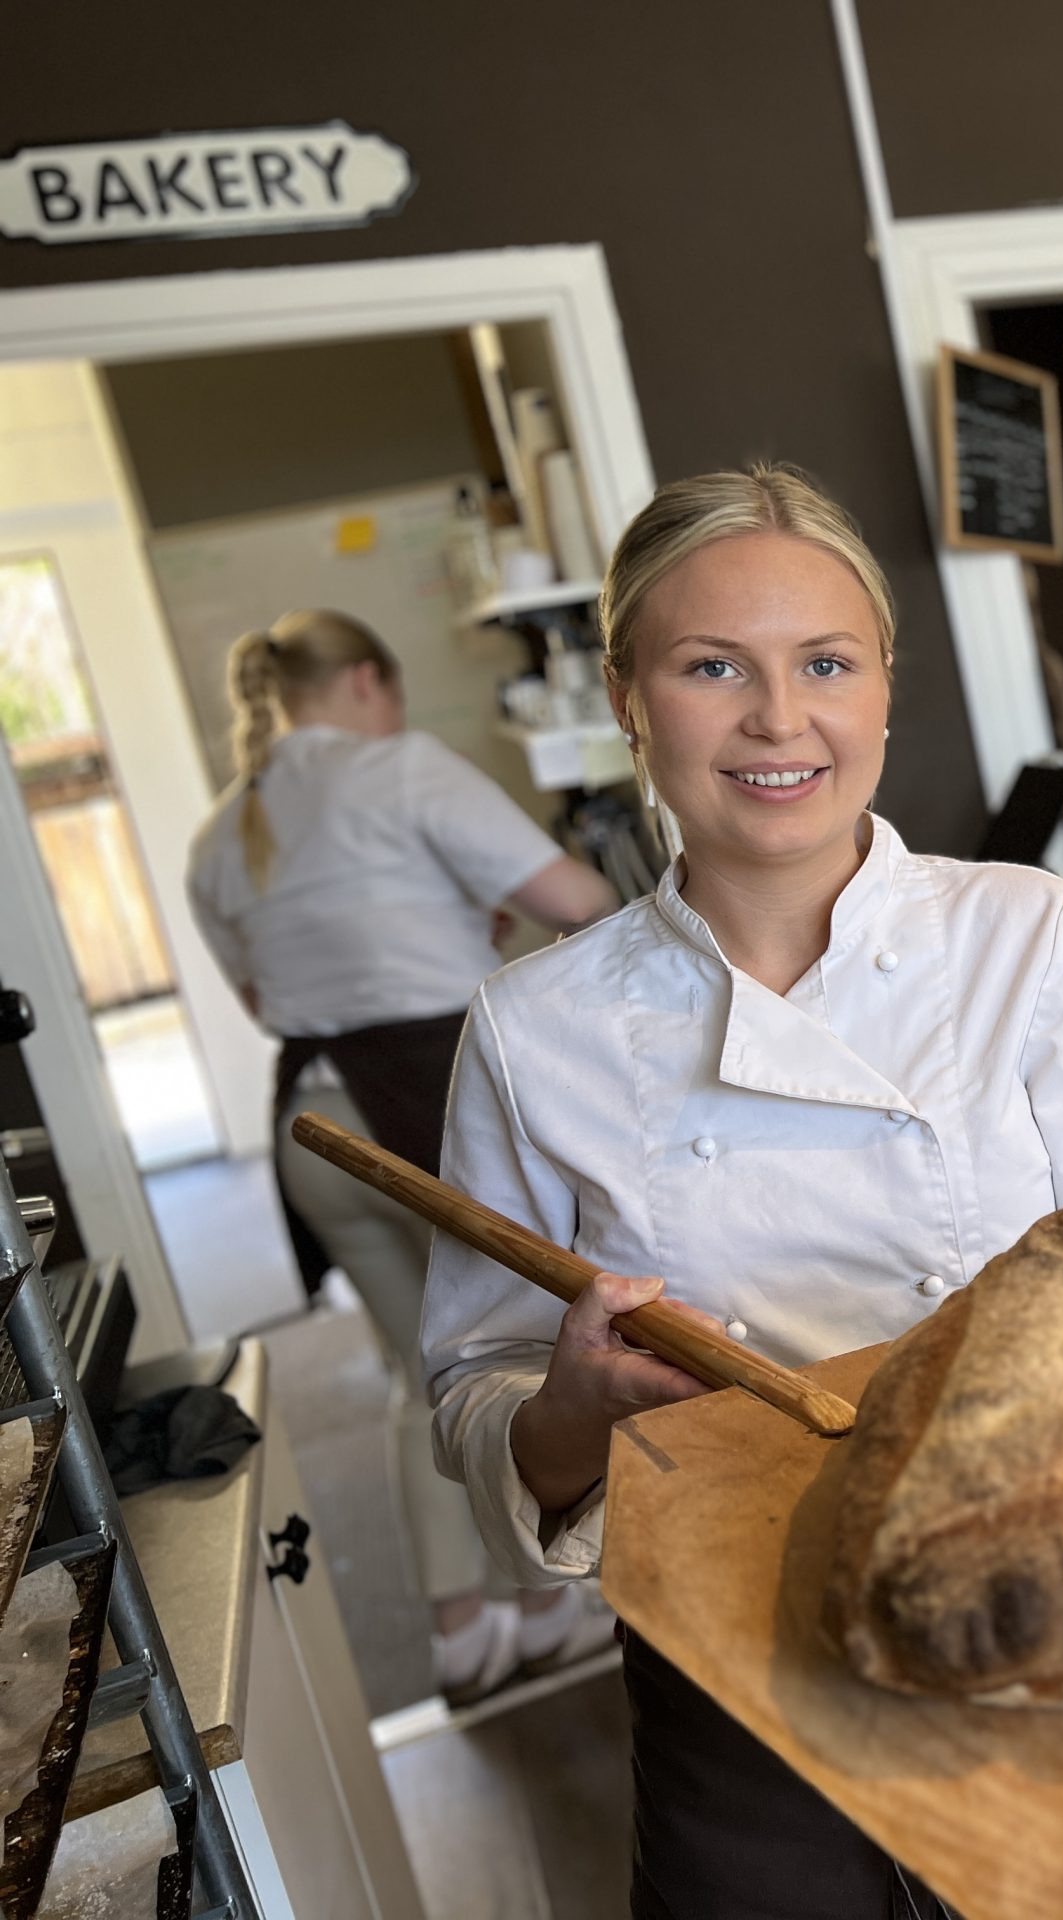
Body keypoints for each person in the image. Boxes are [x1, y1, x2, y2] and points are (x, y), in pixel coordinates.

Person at [419, 465, 1063, 1918]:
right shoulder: (532, 1032)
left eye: (825, 664)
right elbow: (478, 1389)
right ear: (627, 696)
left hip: (1045, 1620)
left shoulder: (1026, 937)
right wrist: (573, 1406)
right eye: (712, 665)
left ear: (884, 690)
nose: (780, 720)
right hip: (734, 1665)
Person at [186, 608, 623, 1702]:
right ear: (371, 682)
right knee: (514, 1361)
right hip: (433, 1117)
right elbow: (584, 904)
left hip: (317, 1133)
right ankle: (544, 1603)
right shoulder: (404, 771)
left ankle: (465, 1630)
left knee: (424, 1375)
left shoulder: (217, 837)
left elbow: (262, 1000)